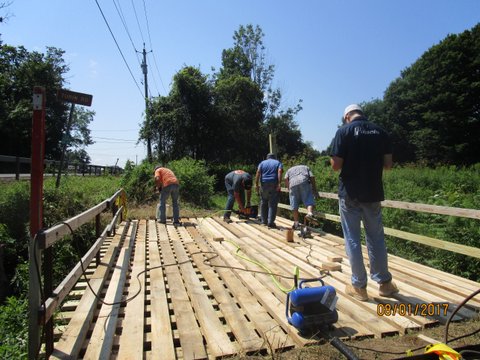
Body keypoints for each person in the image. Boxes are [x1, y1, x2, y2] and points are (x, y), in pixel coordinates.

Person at [329, 104, 398, 301]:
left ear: (347, 117)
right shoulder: (381, 132)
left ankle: (359, 287)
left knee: (352, 238)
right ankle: (384, 284)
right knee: (376, 237)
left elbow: (336, 166)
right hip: (373, 192)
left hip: (349, 193)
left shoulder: (343, 131)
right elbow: (388, 165)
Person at [284, 164, 318, 229]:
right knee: (308, 198)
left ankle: (296, 224)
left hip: (292, 184)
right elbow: (312, 177)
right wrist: (314, 188)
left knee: (294, 204)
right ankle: (310, 214)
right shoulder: (306, 167)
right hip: (304, 182)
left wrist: (289, 188)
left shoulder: (289, 170)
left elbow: (285, 178)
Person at [255, 153, 283, 228]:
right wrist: (279, 183)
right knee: (273, 203)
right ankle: (270, 222)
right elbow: (279, 171)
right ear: (274, 157)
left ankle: (263, 221)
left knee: (263, 202)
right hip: (274, 183)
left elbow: (258, 172)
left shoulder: (262, 163)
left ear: (267, 158)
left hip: (264, 184)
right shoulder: (278, 163)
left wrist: (256, 184)